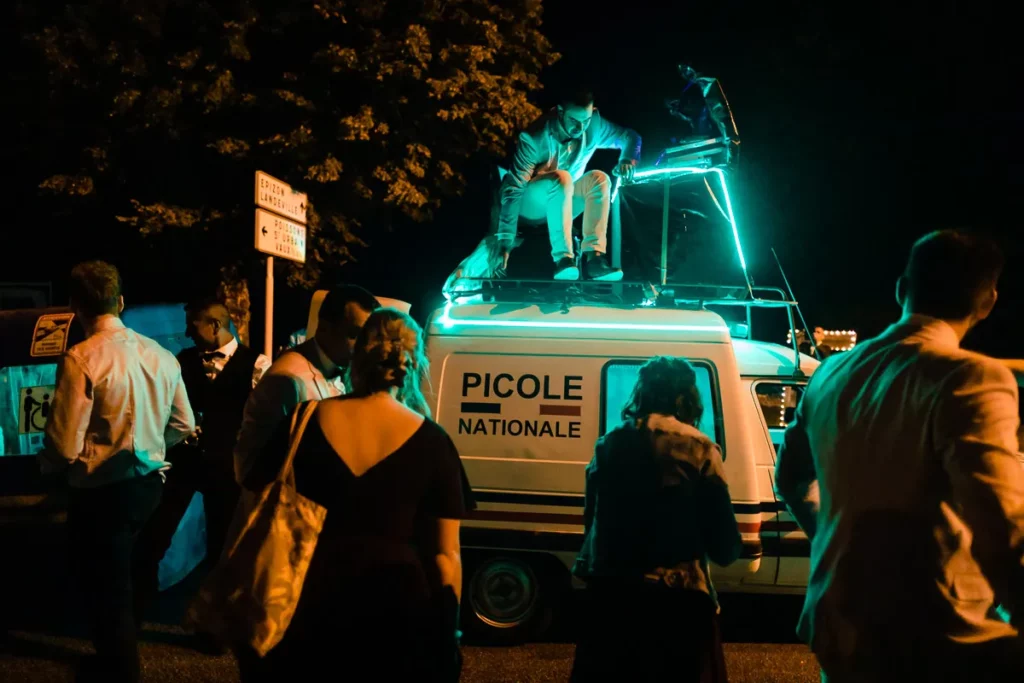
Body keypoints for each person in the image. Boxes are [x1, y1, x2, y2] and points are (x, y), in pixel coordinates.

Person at [775, 230, 1024, 682]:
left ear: (901, 289)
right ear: (987, 301)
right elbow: (1001, 527)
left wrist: (835, 539)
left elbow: (790, 478)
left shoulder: (832, 373)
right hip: (939, 636)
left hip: (841, 623)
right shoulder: (970, 378)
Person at [234, 308, 474, 682]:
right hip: (397, 609)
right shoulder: (433, 443)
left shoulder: (304, 420)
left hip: (309, 601)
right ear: (413, 362)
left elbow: (253, 486)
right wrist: (448, 633)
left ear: (359, 356)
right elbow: (445, 555)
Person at [40, 261, 195, 683]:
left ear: (75, 306)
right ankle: (122, 654)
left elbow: (64, 443)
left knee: (106, 587)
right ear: (121, 302)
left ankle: (120, 667)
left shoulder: (81, 358)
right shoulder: (161, 356)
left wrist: (51, 469)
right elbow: (183, 423)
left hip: (100, 491)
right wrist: (153, 445)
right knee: (130, 573)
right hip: (149, 486)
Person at [571, 356, 742, 682]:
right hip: (679, 610)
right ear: (688, 398)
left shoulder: (608, 446)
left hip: (612, 607)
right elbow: (725, 547)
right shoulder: (700, 449)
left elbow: (591, 527)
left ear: (641, 393)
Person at [133, 297, 271, 653]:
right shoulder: (183, 361)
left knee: (221, 549)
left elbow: (263, 420)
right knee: (154, 533)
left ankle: (213, 630)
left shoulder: (257, 364)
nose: (186, 334)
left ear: (214, 325)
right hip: (186, 462)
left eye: (193, 326)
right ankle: (131, 615)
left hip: (227, 468)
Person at [233, 284, 379, 485]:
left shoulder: (346, 368)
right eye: (355, 335)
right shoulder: (287, 380)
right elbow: (248, 467)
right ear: (325, 327)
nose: (366, 347)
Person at [497, 88, 641, 282]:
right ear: (560, 112)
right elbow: (513, 189)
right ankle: (564, 259)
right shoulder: (534, 138)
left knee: (600, 179)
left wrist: (627, 160)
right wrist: (505, 241)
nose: (580, 128)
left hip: (563, 201)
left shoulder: (594, 126)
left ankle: (595, 258)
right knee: (562, 177)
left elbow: (630, 136)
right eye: (574, 121)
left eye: (585, 121)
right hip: (530, 205)